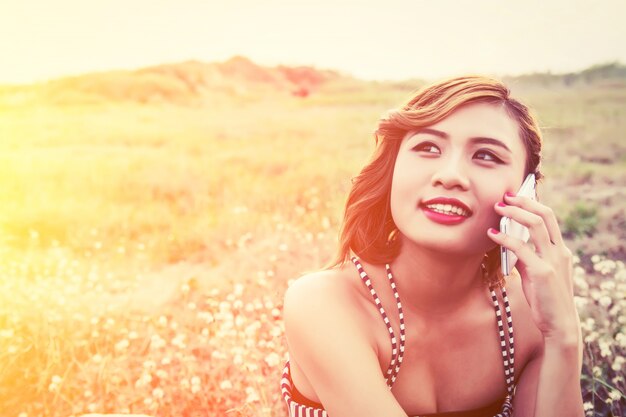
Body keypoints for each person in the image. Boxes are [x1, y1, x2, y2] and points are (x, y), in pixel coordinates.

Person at [280, 76, 585, 417]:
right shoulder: (325, 302)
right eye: (427, 148)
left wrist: (563, 336)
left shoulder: (529, 314)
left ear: (526, 192)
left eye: (485, 155)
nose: (450, 174)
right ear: (392, 168)